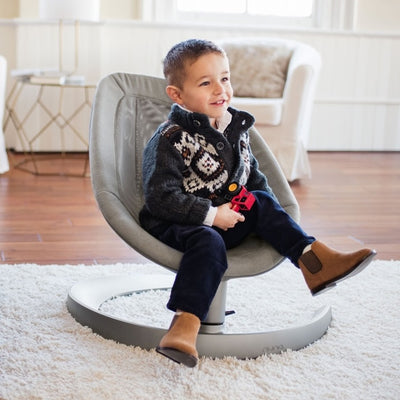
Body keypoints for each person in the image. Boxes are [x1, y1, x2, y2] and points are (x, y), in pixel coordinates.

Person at [139, 39, 376, 368]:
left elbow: (251, 178)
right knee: (206, 239)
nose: (220, 89)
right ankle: (185, 324)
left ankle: (314, 262)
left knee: (261, 200)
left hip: (226, 217)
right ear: (177, 95)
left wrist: (267, 213)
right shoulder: (171, 139)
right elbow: (159, 197)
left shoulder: (234, 127)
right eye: (205, 83)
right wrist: (211, 215)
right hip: (178, 222)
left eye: (225, 78)